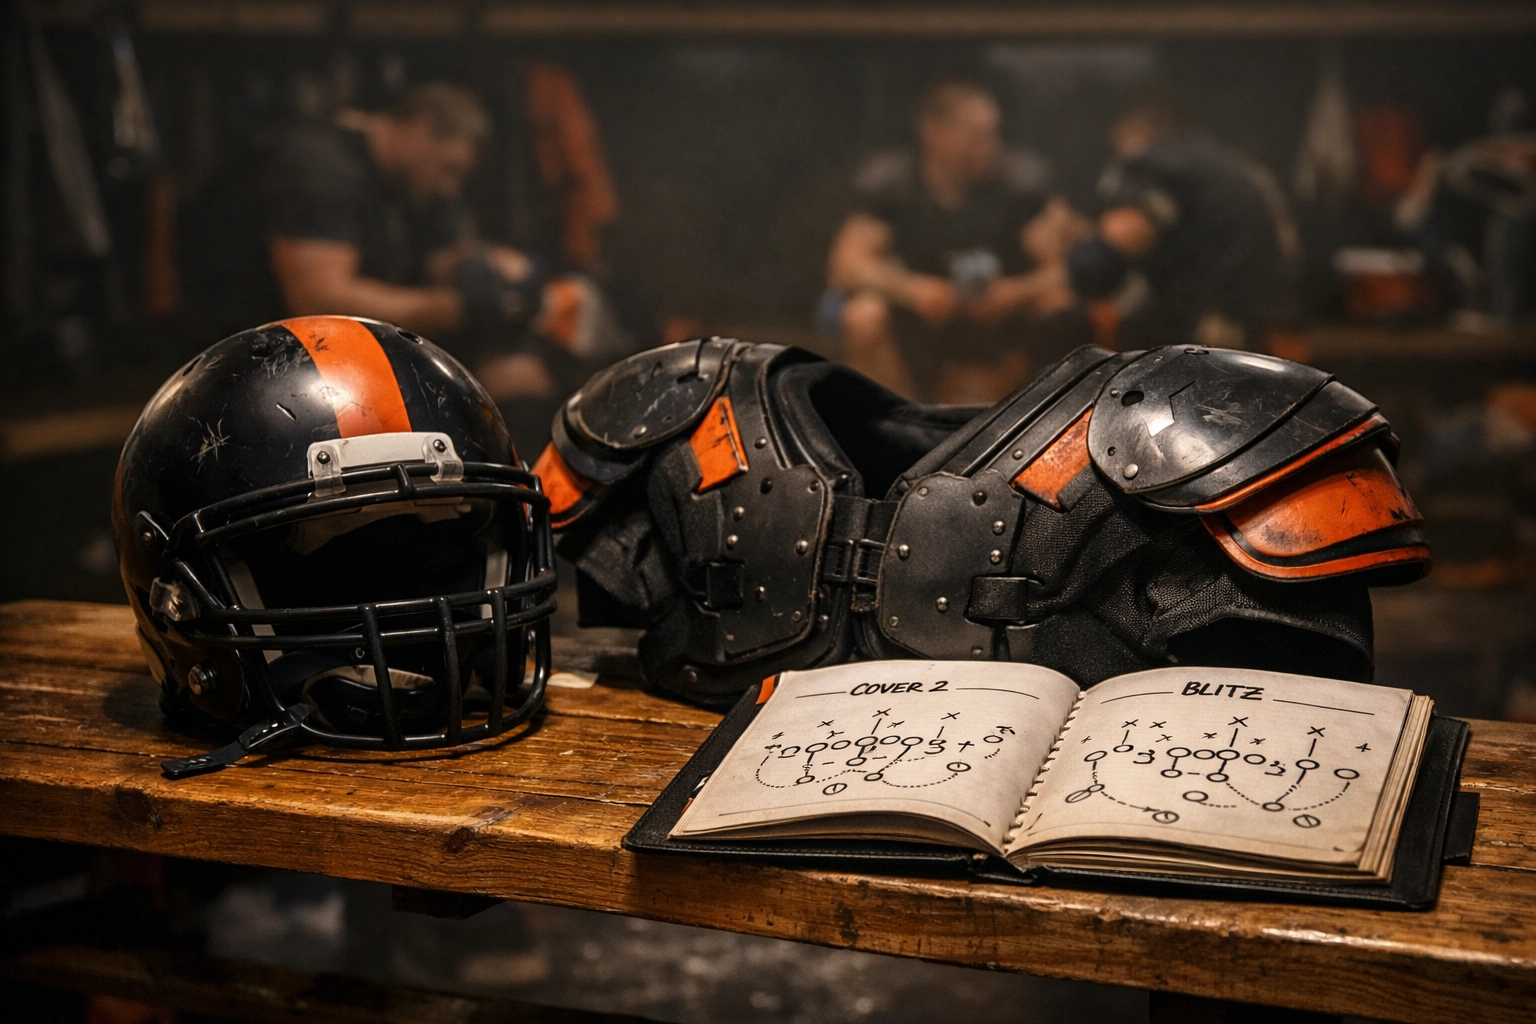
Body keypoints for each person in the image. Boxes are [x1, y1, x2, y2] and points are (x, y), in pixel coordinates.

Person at [824, 81, 1089, 402]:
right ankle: (896, 427)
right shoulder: (894, 187)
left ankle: (1039, 422)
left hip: (1004, 315)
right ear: (934, 134)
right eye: (977, 135)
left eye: (993, 134)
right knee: (863, 315)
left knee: (1060, 307)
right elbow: (846, 265)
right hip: (922, 315)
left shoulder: (1019, 186)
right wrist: (914, 290)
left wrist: (1015, 293)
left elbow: (1066, 269)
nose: (990, 145)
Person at [1068, 92, 1302, 352]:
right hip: (1269, 324)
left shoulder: (1156, 162)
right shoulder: (1225, 162)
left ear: (1130, 133)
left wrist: (1072, 244)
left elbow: (1100, 262)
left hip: (1212, 333)